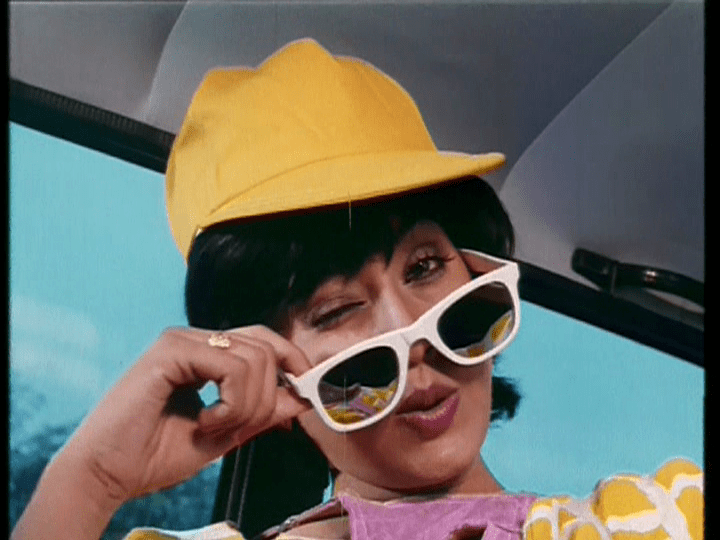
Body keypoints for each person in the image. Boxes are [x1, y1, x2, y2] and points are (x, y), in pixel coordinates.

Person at [12, 39, 702, 540]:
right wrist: (91, 479)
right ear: (268, 371)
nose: (409, 335)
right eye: (338, 308)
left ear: (477, 272)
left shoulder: (658, 520)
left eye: (424, 267)